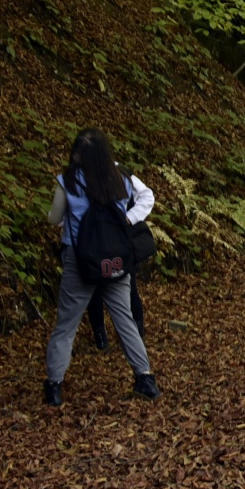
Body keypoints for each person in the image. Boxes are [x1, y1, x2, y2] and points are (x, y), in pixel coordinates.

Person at [43, 128, 159, 406]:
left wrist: (56, 216)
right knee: (124, 319)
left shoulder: (67, 182)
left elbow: (55, 218)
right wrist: (127, 220)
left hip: (79, 259)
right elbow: (142, 201)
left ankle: (54, 386)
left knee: (67, 323)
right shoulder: (122, 179)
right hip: (115, 257)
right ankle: (145, 378)